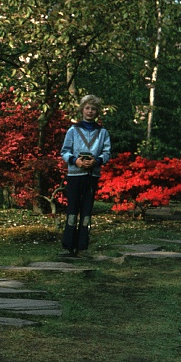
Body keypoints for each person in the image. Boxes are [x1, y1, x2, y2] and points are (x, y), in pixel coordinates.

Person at [59, 94, 111, 257]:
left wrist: (96, 161)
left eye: (93, 109)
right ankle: (69, 244)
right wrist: (76, 161)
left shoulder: (102, 132)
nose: (90, 111)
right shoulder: (73, 130)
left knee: (87, 210)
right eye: (87, 108)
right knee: (72, 208)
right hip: (75, 174)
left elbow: (107, 152)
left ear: (97, 112)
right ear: (82, 110)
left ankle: (82, 246)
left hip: (91, 175)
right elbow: (64, 151)